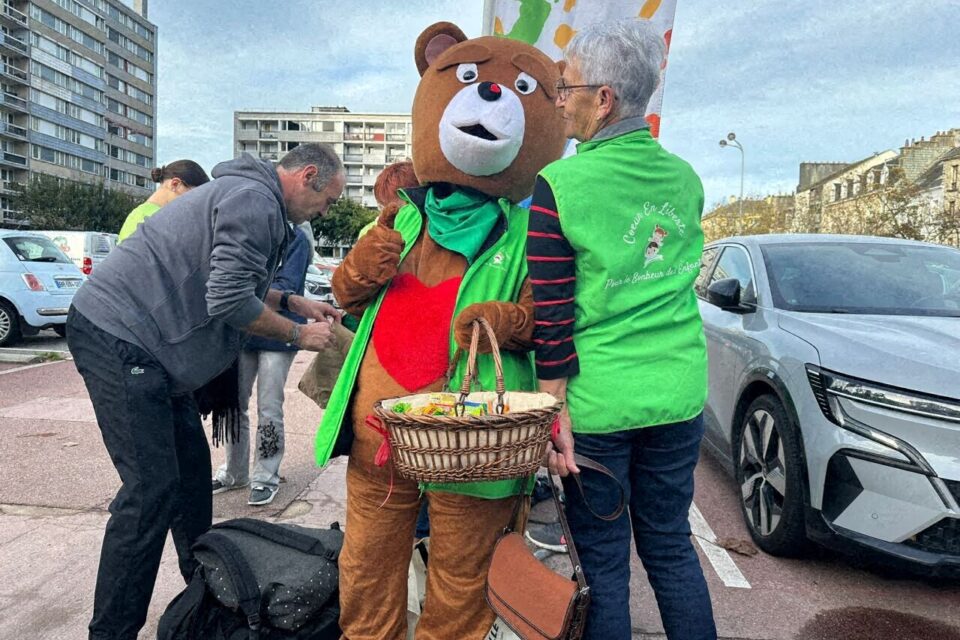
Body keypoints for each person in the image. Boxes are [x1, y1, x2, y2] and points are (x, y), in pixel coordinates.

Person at [66, 143, 345, 640]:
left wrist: (290, 300)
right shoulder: (254, 201)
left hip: (153, 353)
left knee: (191, 482)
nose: (326, 212)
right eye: (328, 200)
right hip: (120, 337)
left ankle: (209, 598)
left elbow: (229, 277)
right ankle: (111, 633)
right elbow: (227, 297)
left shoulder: (252, 198)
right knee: (150, 493)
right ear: (308, 176)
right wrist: (298, 335)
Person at [527, 20, 717, 640]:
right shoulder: (686, 179)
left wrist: (552, 408)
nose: (559, 98)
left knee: (604, 565)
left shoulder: (560, 184)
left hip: (602, 403)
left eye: (565, 86)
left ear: (602, 99)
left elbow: (552, 313)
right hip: (679, 393)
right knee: (669, 546)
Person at [212, 221, 313, 506]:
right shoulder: (250, 228)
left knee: (269, 407)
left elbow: (287, 289)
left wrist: (242, 295)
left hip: (278, 333)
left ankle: (265, 477)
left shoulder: (296, 238)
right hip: (242, 330)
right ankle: (235, 472)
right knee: (234, 404)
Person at [117, 159, 210, 242]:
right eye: (194, 196)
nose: (194, 205)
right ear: (175, 184)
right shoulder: (153, 219)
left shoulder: (140, 216)